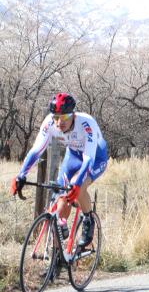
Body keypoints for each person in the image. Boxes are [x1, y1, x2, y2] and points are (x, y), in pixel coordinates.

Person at [9, 93, 108, 247]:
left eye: (65, 117)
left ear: (73, 115)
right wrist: (21, 175)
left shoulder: (87, 123)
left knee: (77, 185)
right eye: (56, 117)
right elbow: (36, 151)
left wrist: (77, 183)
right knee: (60, 204)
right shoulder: (49, 123)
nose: (59, 122)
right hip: (73, 155)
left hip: (95, 156)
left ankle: (88, 219)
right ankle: (57, 260)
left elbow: (89, 158)